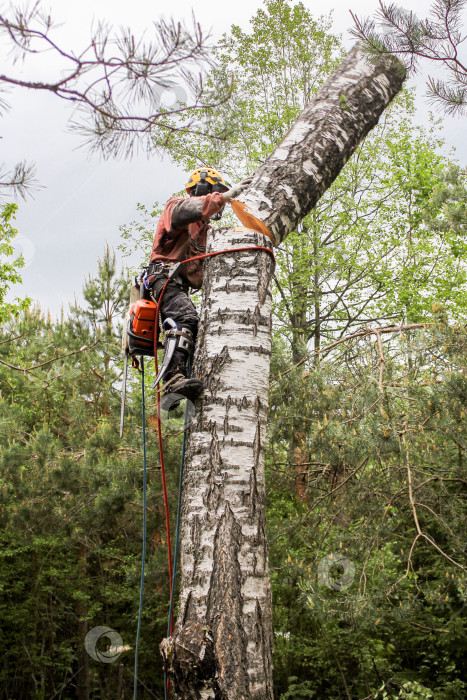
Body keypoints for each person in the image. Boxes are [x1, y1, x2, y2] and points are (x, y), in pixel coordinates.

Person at [147, 167, 252, 409]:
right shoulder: (176, 207)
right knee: (185, 317)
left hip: (179, 286)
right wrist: (223, 197)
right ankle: (172, 379)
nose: (221, 204)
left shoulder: (206, 232)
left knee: (196, 324)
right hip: (163, 279)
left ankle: (183, 378)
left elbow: (211, 262)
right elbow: (190, 209)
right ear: (205, 190)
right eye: (218, 194)